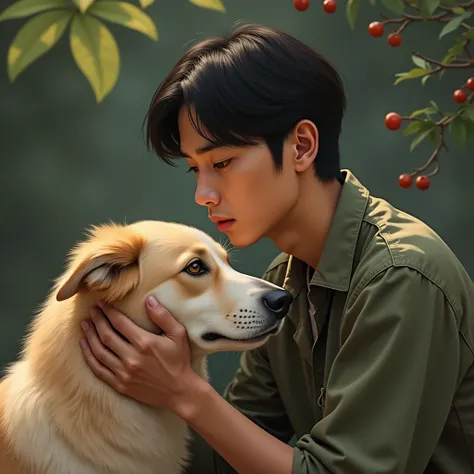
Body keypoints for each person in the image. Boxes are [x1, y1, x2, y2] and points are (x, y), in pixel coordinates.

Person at [78, 23, 474, 474]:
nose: (203, 194)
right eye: (195, 170)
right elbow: (224, 462)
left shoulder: (402, 276)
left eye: (222, 162)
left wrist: (184, 392)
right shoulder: (288, 278)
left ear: (301, 146)